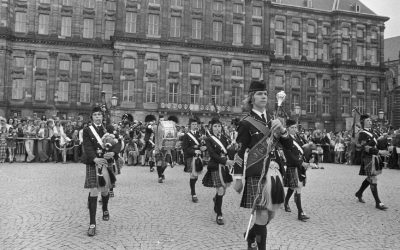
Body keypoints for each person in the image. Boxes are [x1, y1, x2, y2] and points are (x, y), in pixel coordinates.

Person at [232, 80, 289, 250]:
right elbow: (239, 152)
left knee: (270, 214)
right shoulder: (246, 122)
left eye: (265, 93)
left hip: (275, 172)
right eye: (259, 94)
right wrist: (237, 177)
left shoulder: (274, 120)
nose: (263, 96)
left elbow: (289, 146)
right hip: (257, 171)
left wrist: (283, 131)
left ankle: (250, 236)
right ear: (251, 98)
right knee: (262, 215)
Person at [82, 106, 122, 237]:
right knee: (93, 191)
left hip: (106, 162)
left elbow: (119, 143)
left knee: (105, 190)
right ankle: (92, 224)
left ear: (102, 117)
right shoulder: (87, 130)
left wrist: (113, 152)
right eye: (95, 115)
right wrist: (95, 159)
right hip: (93, 163)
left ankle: (105, 208)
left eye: (99, 115)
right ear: (92, 117)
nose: (98, 117)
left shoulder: (109, 129)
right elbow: (87, 147)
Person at [202, 117, 234, 225]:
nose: (217, 128)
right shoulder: (208, 139)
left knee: (223, 190)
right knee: (220, 189)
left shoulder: (225, 138)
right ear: (211, 127)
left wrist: (234, 149)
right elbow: (213, 154)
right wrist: (225, 161)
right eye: (215, 126)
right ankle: (219, 214)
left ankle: (216, 199)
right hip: (215, 166)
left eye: (219, 126)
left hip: (225, 167)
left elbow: (228, 151)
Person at [355, 114, 389, 210]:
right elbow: (365, 147)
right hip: (367, 158)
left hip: (375, 157)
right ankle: (378, 203)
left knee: (370, 177)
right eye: (368, 120)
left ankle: (359, 193)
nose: (370, 122)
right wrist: (379, 152)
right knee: (373, 178)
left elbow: (377, 143)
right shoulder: (362, 134)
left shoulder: (373, 132)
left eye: (370, 120)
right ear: (363, 122)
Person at [282, 119, 314, 221]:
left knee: (293, 187)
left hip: (301, 166)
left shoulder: (298, 138)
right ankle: (300, 212)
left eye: (295, 127)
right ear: (287, 129)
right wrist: (301, 163)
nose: (295, 129)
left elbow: (304, 149)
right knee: (298, 187)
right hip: (293, 165)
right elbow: (289, 155)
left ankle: (286, 202)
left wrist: (311, 156)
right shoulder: (286, 139)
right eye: (292, 127)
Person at [182, 116, 207, 203]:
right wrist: (194, 150)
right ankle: (193, 193)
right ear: (190, 125)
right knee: (193, 175)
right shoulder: (186, 136)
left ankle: (192, 188)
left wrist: (204, 148)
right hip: (190, 157)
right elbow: (185, 148)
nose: (194, 125)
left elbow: (201, 145)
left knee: (196, 176)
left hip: (198, 157)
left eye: (195, 124)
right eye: (193, 124)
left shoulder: (199, 134)